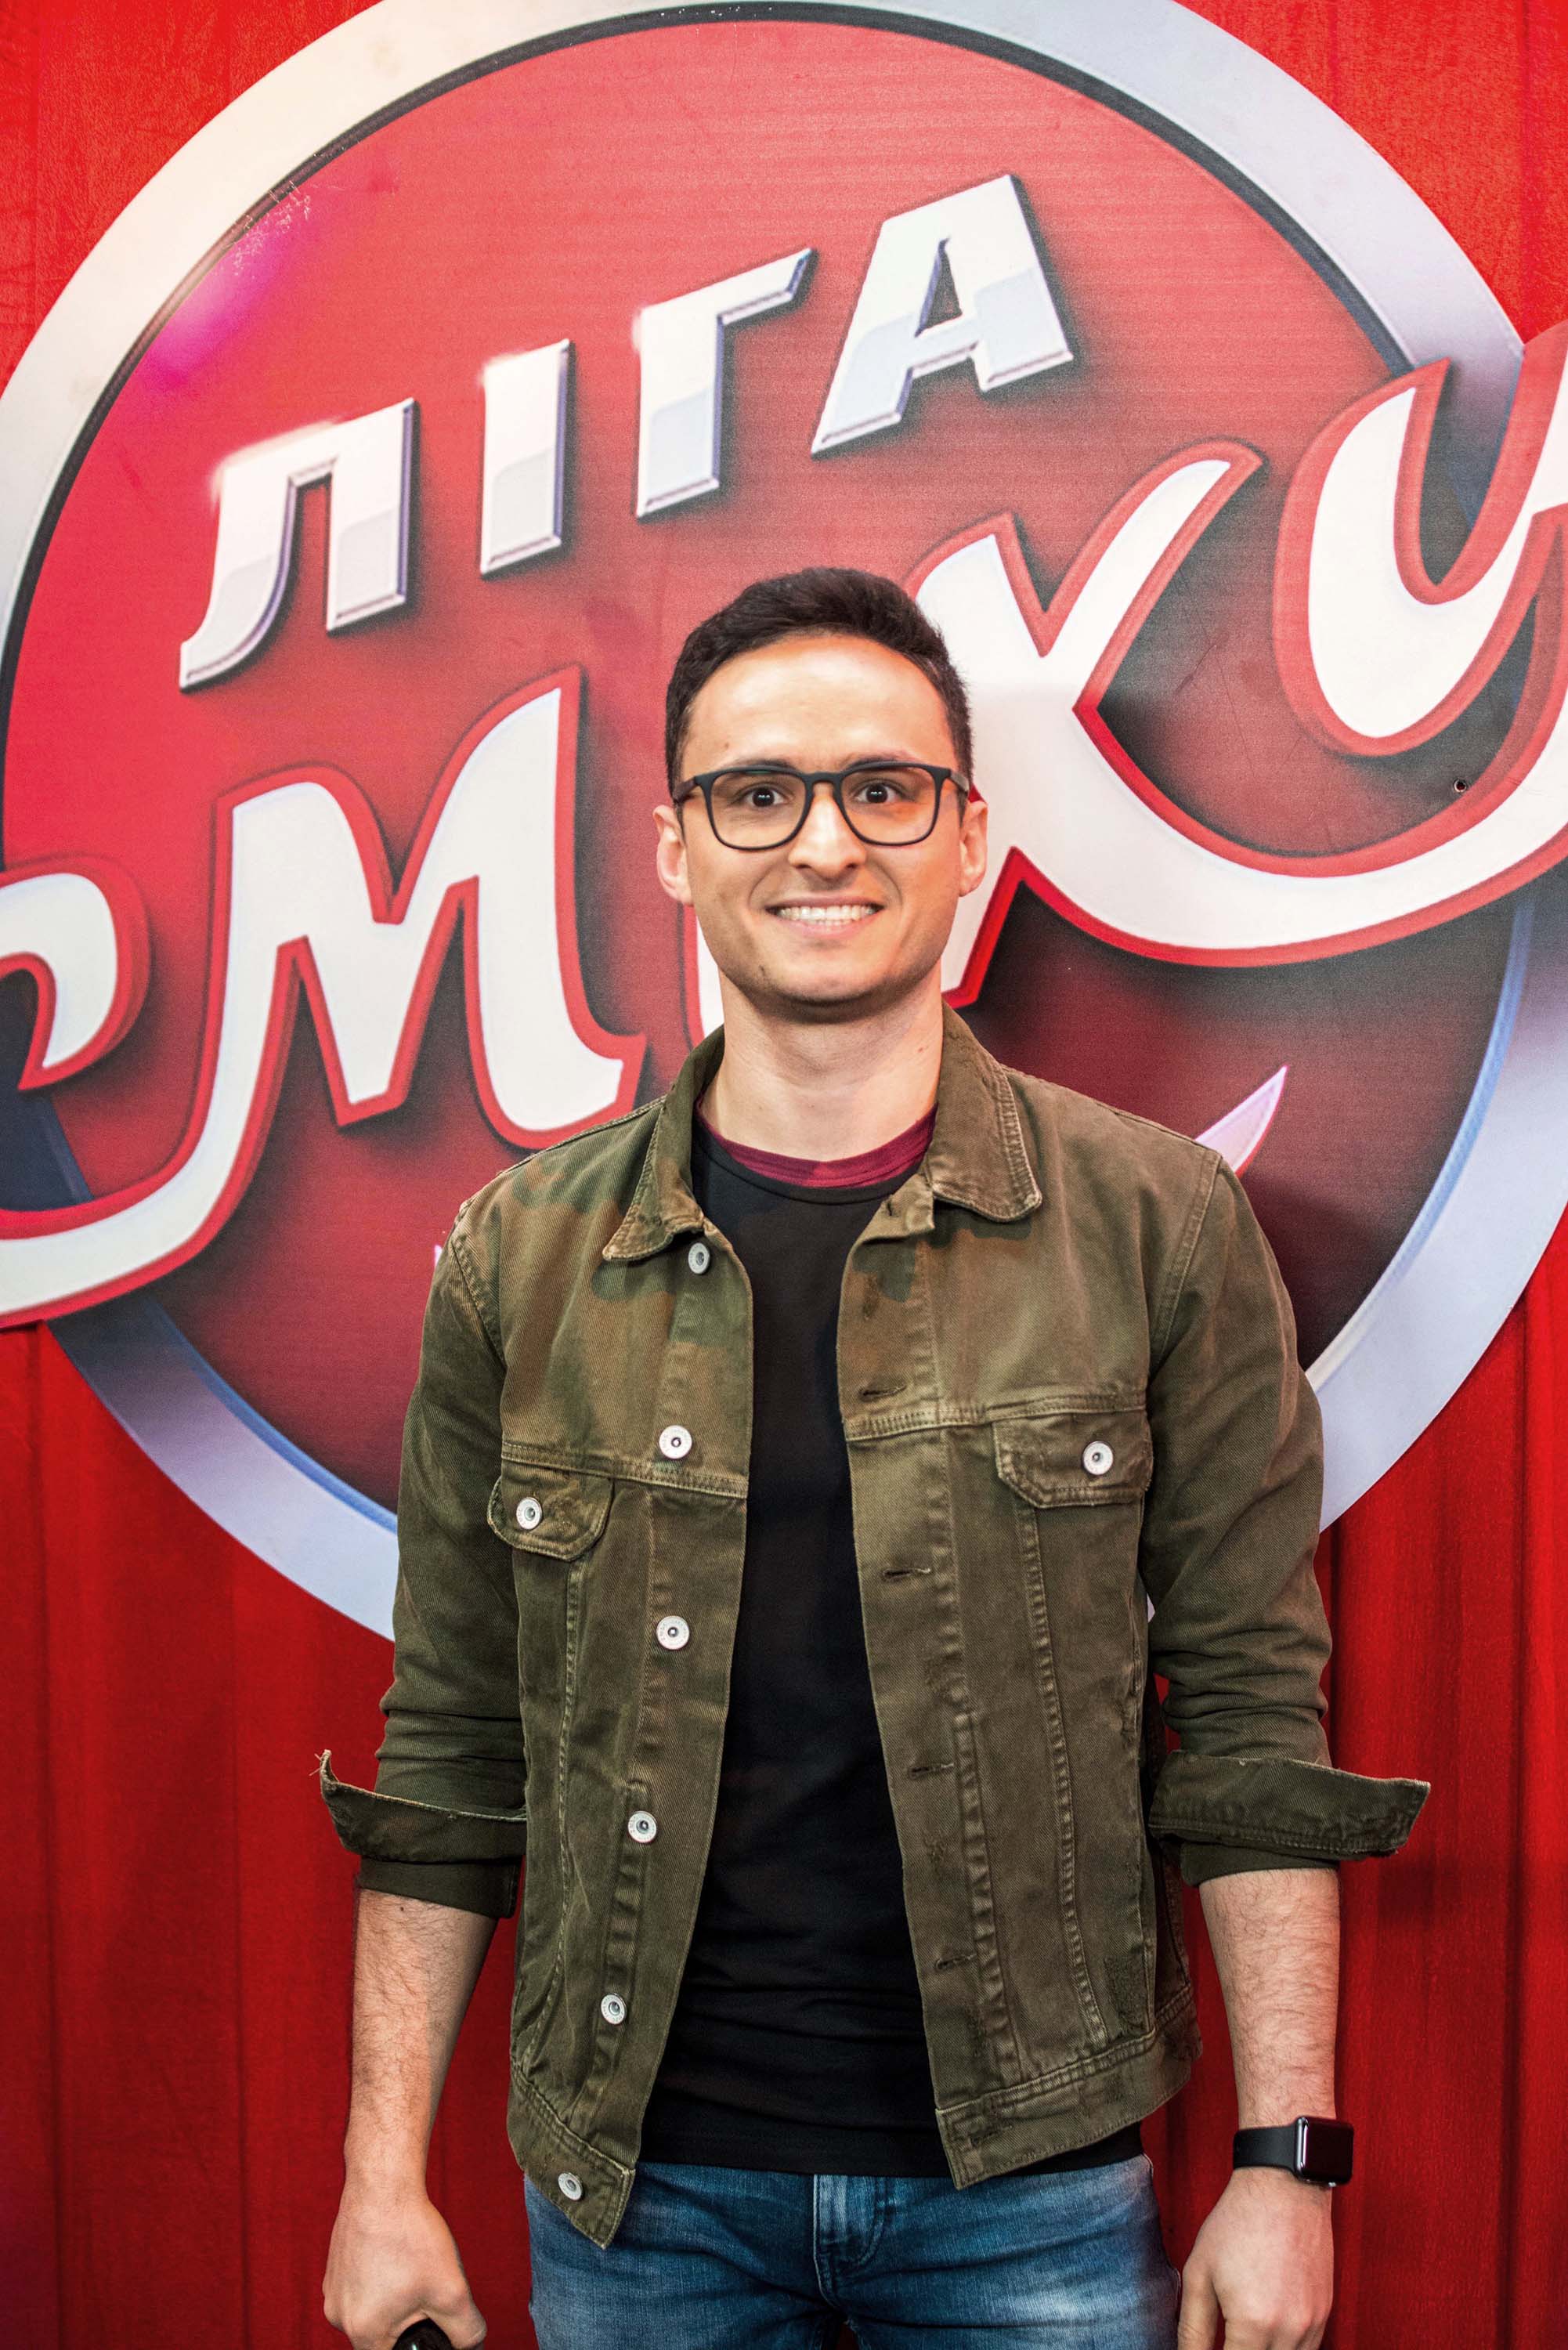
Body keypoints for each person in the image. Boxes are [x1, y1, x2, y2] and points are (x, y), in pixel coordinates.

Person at [317, 569, 1428, 2350]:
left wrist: (1283, 2161)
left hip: (1035, 2191)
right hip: (640, 2205)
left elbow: (1244, 1716)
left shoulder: (1157, 1226)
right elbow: (451, 1746)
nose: (821, 842)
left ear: (967, 832)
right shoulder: (517, 1259)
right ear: (676, 846)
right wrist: (381, 2174)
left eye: (881, 788)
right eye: (756, 792)